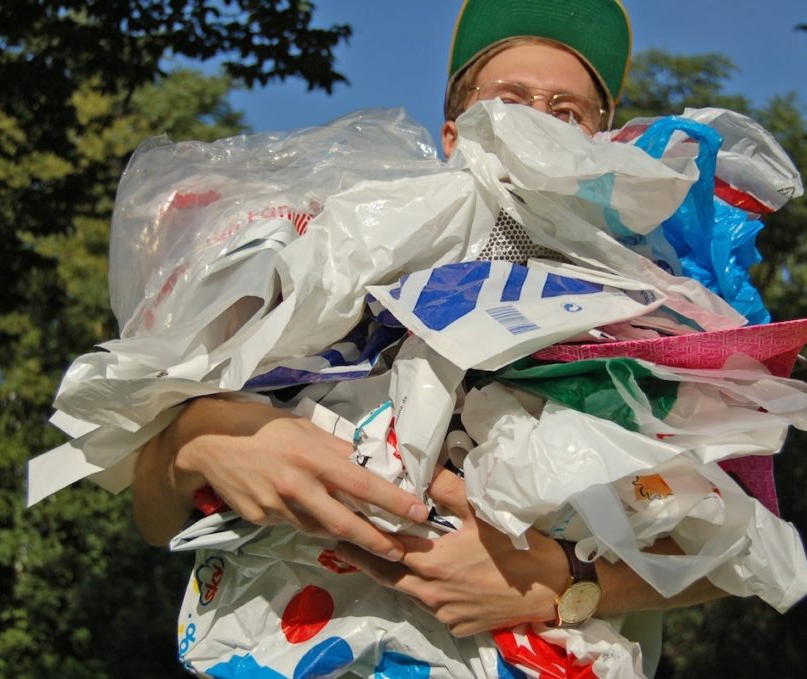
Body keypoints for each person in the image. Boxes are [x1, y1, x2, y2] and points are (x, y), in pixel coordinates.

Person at [133, 0, 724, 671]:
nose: (538, 123)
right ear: (454, 132)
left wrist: (559, 582)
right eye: (510, 98)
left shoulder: (650, 309)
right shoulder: (342, 251)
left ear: (600, 142)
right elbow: (153, 511)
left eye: (568, 111)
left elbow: (730, 549)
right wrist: (197, 437)